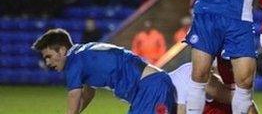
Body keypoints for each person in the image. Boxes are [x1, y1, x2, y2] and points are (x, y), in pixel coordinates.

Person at [31, 28, 176, 114]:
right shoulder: (83, 55)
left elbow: (74, 101)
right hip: (151, 88)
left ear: (62, 50)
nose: (47, 62)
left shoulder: (73, 63)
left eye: (49, 56)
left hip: (150, 89)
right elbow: (88, 93)